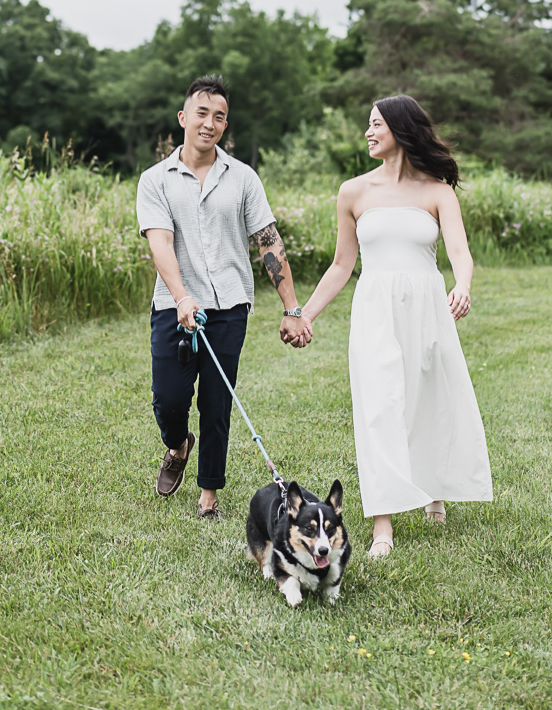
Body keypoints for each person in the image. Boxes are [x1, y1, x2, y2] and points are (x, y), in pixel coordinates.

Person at [292, 96, 492, 556]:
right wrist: (306, 313)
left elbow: (460, 251)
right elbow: (342, 265)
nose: (368, 132)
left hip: (426, 305)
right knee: (379, 406)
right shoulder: (353, 192)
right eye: (368, 124)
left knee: (427, 399)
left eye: (376, 124)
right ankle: (383, 524)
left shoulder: (438, 192)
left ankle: (433, 489)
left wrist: (462, 284)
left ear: (400, 130)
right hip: (375, 307)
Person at [137, 75, 312, 519]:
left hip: (230, 305)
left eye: (219, 117)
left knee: (217, 402)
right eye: (201, 113)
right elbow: (160, 242)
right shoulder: (155, 180)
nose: (209, 123)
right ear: (183, 117)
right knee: (170, 400)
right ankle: (177, 446)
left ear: (225, 125)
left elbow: (269, 241)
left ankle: (208, 496)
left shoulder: (243, 178)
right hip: (174, 308)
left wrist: (292, 309)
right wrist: (181, 298)